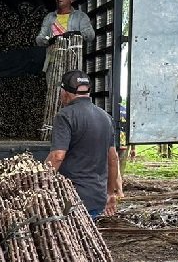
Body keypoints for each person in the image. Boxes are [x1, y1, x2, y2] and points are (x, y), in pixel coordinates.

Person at [46, 70, 122, 218]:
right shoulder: (106, 117)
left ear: (64, 91)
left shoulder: (65, 116)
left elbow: (57, 156)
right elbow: (113, 158)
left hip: (71, 197)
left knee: (68, 240)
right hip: (97, 198)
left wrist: (41, 184)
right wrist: (110, 194)